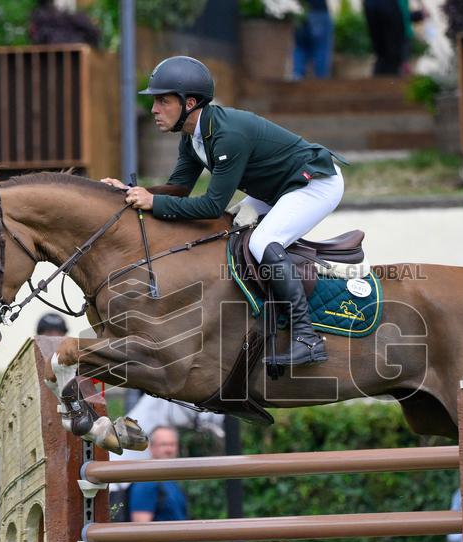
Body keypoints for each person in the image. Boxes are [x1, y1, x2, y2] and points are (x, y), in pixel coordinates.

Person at [102, 55, 344, 367]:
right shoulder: (193, 138)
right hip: (279, 187)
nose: (154, 110)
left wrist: (154, 202)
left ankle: (306, 337)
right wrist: (130, 193)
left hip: (315, 183)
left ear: (189, 103)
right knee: (232, 226)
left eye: (162, 101)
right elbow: (178, 189)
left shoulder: (228, 134)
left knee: (261, 242)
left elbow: (210, 206)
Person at [127, 426, 188, 542]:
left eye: (172, 444)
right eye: (163, 444)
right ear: (151, 447)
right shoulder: (147, 480)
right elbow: (141, 528)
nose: (169, 449)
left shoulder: (170, 480)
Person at [293, 0, 334, 80]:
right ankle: (321, 85)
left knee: (300, 49)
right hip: (319, 11)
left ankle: (296, 81)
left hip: (300, 13)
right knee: (321, 50)